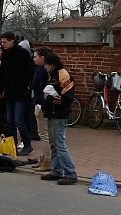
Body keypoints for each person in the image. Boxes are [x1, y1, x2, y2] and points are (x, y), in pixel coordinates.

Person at [40, 53, 78, 185]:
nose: (45, 67)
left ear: (52, 65)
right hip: (52, 113)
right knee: (54, 143)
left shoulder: (63, 75)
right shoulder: (54, 75)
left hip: (59, 114)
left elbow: (68, 97)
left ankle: (70, 172)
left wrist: (50, 98)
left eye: (46, 65)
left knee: (59, 144)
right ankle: (56, 170)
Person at [0, 31, 34, 156]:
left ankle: (27, 144)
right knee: (10, 121)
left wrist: (27, 86)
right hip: (9, 92)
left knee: (19, 120)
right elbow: (3, 74)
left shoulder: (22, 53)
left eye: (5, 42)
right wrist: (0, 89)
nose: (3, 45)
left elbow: (30, 71)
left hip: (21, 92)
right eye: (1, 42)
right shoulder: (6, 54)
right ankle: (12, 144)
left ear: (12, 41)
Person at [31, 47, 52, 171]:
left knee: (43, 134)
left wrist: (32, 86)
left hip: (40, 101)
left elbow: (34, 84)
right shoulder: (50, 70)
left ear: (42, 58)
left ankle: (47, 160)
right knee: (45, 133)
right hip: (45, 102)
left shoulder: (41, 68)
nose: (34, 59)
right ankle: (44, 157)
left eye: (35, 57)